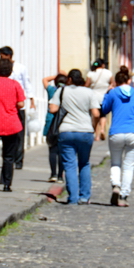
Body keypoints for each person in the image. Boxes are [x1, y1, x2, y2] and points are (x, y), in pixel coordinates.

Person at [49, 69, 99, 205]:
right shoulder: (89, 92)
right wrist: (93, 129)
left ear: (69, 79)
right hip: (85, 131)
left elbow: (52, 109)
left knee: (70, 165)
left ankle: (73, 198)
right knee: (84, 163)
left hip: (66, 131)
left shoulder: (62, 91)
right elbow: (95, 114)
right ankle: (84, 196)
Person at [101, 69, 134, 207]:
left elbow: (104, 109)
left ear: (115, 82)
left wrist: (107, 93)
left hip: (116, 132)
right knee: (129, 166)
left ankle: (116, 185)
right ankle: (124, 195)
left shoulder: (113, 93)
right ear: (128, 81)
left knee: (115, 163)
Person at [0, 58, 25, 191]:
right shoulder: (15, 85)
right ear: (10, 72)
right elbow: (21, 103)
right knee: (9, 155)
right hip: (11, 123)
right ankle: (6, 183)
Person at [0, 46, 35, 170]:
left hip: (17, 105)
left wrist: (31, 99)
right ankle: (8, 158)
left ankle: (18, 160)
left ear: (9, 56)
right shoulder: (0, 68)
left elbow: (27, 83)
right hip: (3, 104)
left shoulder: (20, 68)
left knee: (19, 134)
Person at [42, 73, 66, 182]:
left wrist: (56, 75)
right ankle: (61, 176)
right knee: (62, 151)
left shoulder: (51, 90)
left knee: (52, 149)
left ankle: (53, 174)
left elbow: (45, 79)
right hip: (62, 122)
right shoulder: (66, 92)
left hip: (51, 122)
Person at [85, 59, 113, 140]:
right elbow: (112, 83)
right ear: (103, 65)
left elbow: (87, 85)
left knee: (95, 116)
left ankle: (96, 136)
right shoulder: (108, 72)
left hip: (94, 97)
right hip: (104, 96)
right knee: (103, 115)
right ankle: (102, 130)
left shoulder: (91, 73)